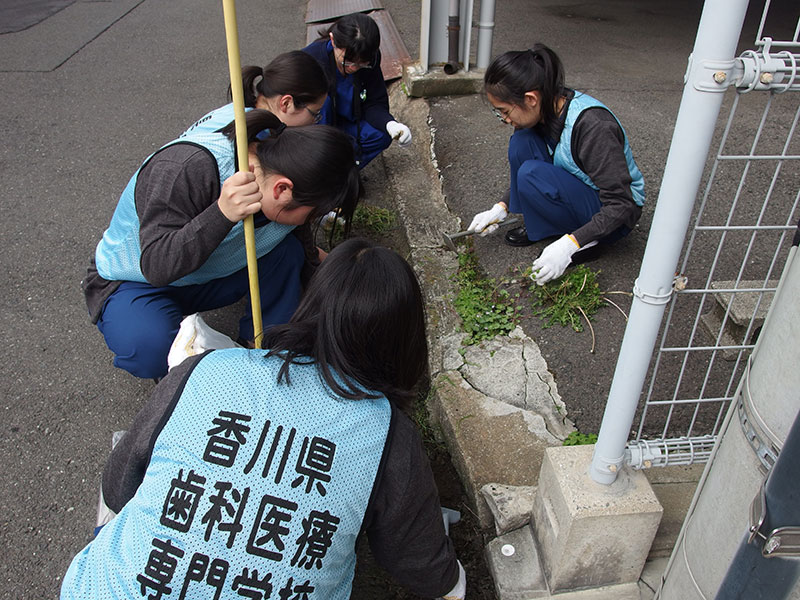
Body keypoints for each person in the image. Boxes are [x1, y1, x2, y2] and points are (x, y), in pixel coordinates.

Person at [62, 238, 467, 600]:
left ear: (310, 303)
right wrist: (454, 582)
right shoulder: (387, 433)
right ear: (405, 340)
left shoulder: (206, 368)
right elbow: (419, 562)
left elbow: (118, 488)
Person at [82, 109, 359, 380]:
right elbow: (157, 266)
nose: (308, 221)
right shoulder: (186, 168)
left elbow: (305, 252)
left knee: (288, 254)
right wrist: (222, 214)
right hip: (136, 280)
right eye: (312, 213)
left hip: (204, 274)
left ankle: (261, 347)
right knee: (149, 348)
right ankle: (183, 370)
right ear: (282, 189)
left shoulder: (284, 177)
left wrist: (343, 286)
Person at [468, 43, 645, 285]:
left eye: (505, 111)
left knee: (532, 173)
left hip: (614, 215)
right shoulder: (543, 109)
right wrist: (501, 208)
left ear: (531, 98)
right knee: (522, 143)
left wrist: (569, 245)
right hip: (580, 188)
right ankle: (541, 224)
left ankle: (588, 241)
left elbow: (621, 205)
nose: (505, 120)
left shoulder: (593, 126)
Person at [303, 12, 412, 168]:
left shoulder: (370, 58)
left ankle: (345, 172)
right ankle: (324, 171)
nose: (354, 68)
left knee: (382, 135)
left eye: (361, 64)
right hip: (316, 131)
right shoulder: (310, 59)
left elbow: (375, 101)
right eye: (347, 62)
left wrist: (391, 124)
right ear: (333, 40)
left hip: (349, 125)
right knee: (323, 101)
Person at [184, 50, 329, 137]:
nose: (314, 121)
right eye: (315, 113)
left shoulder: (242, 112)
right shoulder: (252, 135)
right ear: (286, 103)